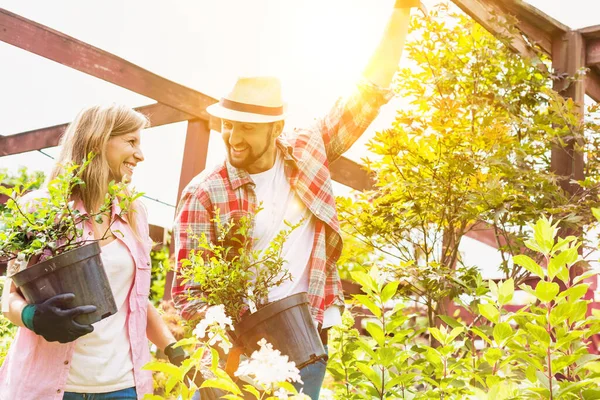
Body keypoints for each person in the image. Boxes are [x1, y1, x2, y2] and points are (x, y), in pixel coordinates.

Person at [172, 1, 421, 398]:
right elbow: (189, 294)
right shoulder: (204, 193)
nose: (234, 137)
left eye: (248, 129)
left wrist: (401, 12)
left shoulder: (308, 152)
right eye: (228, 125)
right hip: (237, 348)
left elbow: (368, 94)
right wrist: (227, 365)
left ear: (277, 128)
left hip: (308, 336)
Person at [0, 105, 184, 400]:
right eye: (131, 142)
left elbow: (133, 301)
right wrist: (35, 317)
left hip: (122, 387)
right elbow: (9, 299)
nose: (140, 155)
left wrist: (177, 352)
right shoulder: (42, 209)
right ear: (99, 140)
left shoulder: (133, 212)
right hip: (50, 388)